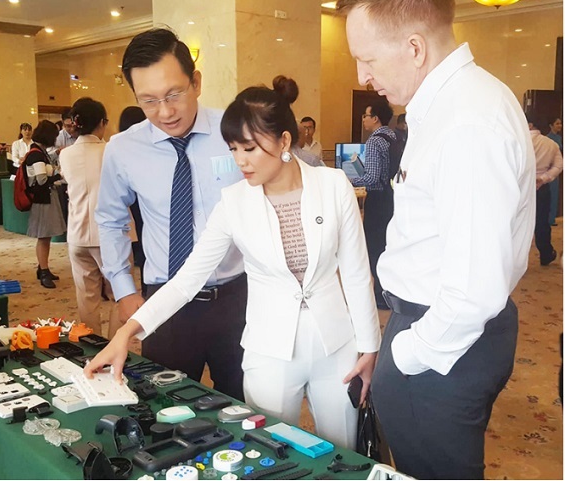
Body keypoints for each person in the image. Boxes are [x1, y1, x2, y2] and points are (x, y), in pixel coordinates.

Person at [86, 82, 381, 449]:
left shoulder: (333, 185)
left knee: (345, 451)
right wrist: (126, 332)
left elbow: (356, 273)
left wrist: (369, 347)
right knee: (270, 450)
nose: (240, 161)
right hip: (269, 350)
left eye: (250, 148)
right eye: (233, 149)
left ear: (284, 141)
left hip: (336, 346)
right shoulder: (234, 202)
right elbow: (187, 280)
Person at [337, 0, 536, 479]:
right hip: (438, 326)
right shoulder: (455, 104)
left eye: (367, 59)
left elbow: (473, 292)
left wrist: (407, 353)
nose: (361, 77)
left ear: (415, 48)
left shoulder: (466, 122)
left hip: (444, 339)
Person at [95, 28, 248, 400]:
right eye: (148, 101)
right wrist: (123, 289)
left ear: (196, 82)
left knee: (247, 405)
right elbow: (110, 219)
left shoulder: (236, 131)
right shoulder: (123, 149)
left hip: (238, 297)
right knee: (164, 406)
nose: (164, 112)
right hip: (165, 303)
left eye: (173, 94)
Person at [59, 97, 118, 336]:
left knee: (86, 297)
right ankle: (115, 347)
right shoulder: (111, 151)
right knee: (119, 294)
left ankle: (93, 347)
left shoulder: (65, 154)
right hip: (110, 234)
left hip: (77, 233)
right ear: (102, 122)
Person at [350, 98, 396, 309]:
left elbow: (371, 178)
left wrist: (347, 179)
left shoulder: (374, 141)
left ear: (375, 118)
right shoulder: (393, 136)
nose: (363, 120)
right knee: (388, 245)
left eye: (366, 116)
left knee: (374, 247)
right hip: (393, 197)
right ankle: (391, 290)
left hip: (378, 200)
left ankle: (379, 294)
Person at [24, 120, 66, 288]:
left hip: (45, 198)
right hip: (42, 199)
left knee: (46, 236)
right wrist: (59, 175)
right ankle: (43, 271)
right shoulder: (36, 154)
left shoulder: (39, 152)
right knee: (43, 236)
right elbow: (41, 180)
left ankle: (43, 268)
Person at [118, 105, 148, 297]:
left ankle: (144, 289)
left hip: (129, 205)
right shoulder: (149, 149)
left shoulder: (120, 149)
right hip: (144, 204)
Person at [528, 116, 563, 266]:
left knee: (517, 222)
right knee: (542, 221)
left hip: (520, 187)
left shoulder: (519, 142)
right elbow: (559, 166)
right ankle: (546, 253)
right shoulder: (551, 144)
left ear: (529, 124)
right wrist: (544, 178)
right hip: (541, 187)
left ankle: (515, 257)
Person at [547, 117, 563, 225]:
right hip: (549, 169)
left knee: (555, 195)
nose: (560, 126)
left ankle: (552, 218)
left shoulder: (559, 138)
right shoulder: (548, 138)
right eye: (557, 123)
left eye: (560, 123)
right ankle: (548, 218)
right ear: (551, 125)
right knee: (550, 195)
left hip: (557, 169)